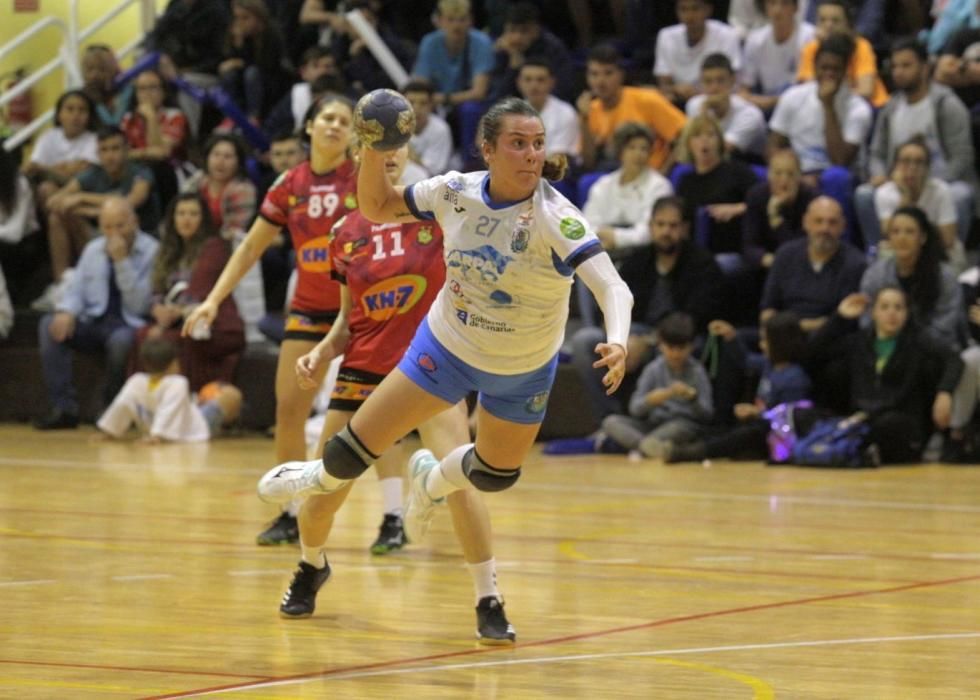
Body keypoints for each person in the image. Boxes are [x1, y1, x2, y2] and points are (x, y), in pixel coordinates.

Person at [254, 97, 633, 577]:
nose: (533, 155)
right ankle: (312, 476)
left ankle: (432, 481)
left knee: (496, 475)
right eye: (518, 144)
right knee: (357, 443)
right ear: (487, 150)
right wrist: (375, 145)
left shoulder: (557, 217)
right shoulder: (454, 191)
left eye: (538, 144)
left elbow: (612, 286)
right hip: (447, 346)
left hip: (523, 363)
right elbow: (378, 205)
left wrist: (617, 339)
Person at [272, 142, 517, 643]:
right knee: (325, 492)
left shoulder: (439, 212)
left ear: (407, 155)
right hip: (363, 371)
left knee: (460, 484)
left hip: (432, 369)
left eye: (395, 148)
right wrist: (320, 353)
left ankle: (488, 597)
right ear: (359, 156)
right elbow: (346, 320)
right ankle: (311, 564)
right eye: (375, 148)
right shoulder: (345, 232)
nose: (386, 157)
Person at [183, 94, 358, 546]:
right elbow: (248, 248)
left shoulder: (363, 178)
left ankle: (388, 511)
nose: (336, 126)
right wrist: (211, 300)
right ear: (309, 128)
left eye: (345, 121)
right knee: (289, 410)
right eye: (328, 118)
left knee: (362, 418)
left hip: (357, 309)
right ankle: (290, 511)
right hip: (306, 306)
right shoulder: (289, 184)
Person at [571, 196, 724, 422]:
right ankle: (611, 419)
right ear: (651, 227)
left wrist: (651, 342)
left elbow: (695, 319)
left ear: (684, 228)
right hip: (633, 332)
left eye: (673, 226)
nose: (666, 232)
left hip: (675, 339)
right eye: (660, 224)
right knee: (584, 341)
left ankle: (656, 420)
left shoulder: (702, 264)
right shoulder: (638, 259)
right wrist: (619, 340)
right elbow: (614, 303)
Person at [35, 197, 159, 430]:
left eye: (120, 225)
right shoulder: (93, 249)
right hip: (93, 319)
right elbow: (76, 289)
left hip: (127, 322)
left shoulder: (152, 251)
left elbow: (140, 305)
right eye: (107, 227)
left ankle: (110, 410)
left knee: (121, 342)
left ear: (135, 222)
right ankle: (63, 408)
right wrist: (67, 311)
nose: (114, 233)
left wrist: (122, 262)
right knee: (48, 325)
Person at [804, 287, 963, 464]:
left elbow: (954, 359)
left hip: (900, 423)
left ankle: (854, 449)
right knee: (810, 416)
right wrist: (839, 318)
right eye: (884, 307)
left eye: (898, 307)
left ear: (907, 313)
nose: (891, 313)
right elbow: (811, 354)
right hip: (861, 419)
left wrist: (944, 392)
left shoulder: (918, 341)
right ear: (873, 312)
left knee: (889, 425)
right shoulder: (858, 342)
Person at [863, 38, 976, 249]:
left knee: (959, 195)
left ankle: (950, 257)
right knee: (865, 194)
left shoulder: (946, 105)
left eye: (906, 65)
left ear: (924, 68)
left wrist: (925, 185)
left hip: (941, 183)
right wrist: (879, 174)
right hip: (899, 182)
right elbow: (876, 152)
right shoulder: (890, 108)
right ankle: (878, 254)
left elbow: (962, 157)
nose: (898, 72)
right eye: (895, 66)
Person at [34, 127, 158, 313]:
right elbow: (55, 201)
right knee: (57, 215)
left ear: (126, 149)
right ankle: (62, 282)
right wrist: (88, 208)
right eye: (104, 150)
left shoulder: (141, 172)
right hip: (100, 238)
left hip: (136, 240)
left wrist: (82, 198)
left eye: (115, 149)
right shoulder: (93, 173)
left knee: (72, 211)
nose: (110, 156)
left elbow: (130, 202)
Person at [664, 312, 813, 463]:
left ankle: (692, 453)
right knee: (724, 430)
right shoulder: (770, 365)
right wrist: (731, 337)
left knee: (748, 434)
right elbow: (746, 360)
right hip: (759, 424)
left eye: (766, 341)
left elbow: (789, 420)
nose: (762, 345)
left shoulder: (794, 380)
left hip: (773, 436)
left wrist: (758, 414)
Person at [145, 192, 246, 391]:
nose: (186, 219)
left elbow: (200, 291)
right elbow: (157, 288)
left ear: (203, 219)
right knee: (142, 335)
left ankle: (186, 399)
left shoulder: (214, 247)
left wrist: (171, 316)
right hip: (179, 320)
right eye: (181, 213)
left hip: (216, 323)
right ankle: (149, 401)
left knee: (174, 338)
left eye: (193, 214)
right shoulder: (168, 249)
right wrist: (157, 308)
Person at [181, 133, 263, 341]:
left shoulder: (243, 189)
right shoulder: (195, 183)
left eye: (228, 156)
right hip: (194, 239)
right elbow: (181, 210)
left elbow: (232, 231)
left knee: (213, 248)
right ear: (207, 157)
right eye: (216, 155)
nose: (220, 161)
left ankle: (197, 308)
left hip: (227, 247)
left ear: (238, 162)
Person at [601, 311, 713, 458]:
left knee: (680, 428)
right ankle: (650, 447)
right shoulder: (653, 369)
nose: (675, 354)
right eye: (670, 348)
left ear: (691, 347)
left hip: (681, 424)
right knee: (611, 421)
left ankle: (642, 447)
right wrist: (649, 400)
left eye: (681, 348)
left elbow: (707, 413)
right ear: (660, 345)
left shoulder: (697, 371)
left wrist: (692, 397)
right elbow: (635, 409)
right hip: (652, 424)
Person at [97, 337, 242, 443]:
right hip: (196, 428)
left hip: (164, 425)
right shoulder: (179, 382)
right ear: (174, 363)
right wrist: (157, 435)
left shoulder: (137, 379)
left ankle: (199, 403)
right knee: (230, 393)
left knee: (200, 400)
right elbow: (169, 409)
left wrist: (110, 431)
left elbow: (122, 404)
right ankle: (229, 425)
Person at [859, 206, 964, 349]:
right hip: (885, 348)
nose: (902, 237)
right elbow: (866, 320)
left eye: (909, 232)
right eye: (896, 232)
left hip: (933, 354)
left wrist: (905, 346)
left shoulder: (945, 278)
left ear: (922, 237)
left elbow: (944, 329)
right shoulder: (875, 275)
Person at [769, 32, 873, 174]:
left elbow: (840, 160)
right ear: (814, 67)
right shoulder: (792, 96)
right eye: (824, 68)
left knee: (836, 175)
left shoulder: (859, 109)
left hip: (832, 173)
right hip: (796, 172)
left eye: (835, 69)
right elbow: (773, 146)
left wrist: (828, 105)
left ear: (845, 71)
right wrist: (792, 175)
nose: (829, 74)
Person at [760, 196, 866, 333]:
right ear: (806, 222)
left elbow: (843, 320)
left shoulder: (855, 264)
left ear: (843, 226)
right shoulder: (785, 254)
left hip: (828, 340)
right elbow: (768, 307)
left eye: (832, 223)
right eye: (818, 221)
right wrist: (771, 330)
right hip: (783, 339)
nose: (825, 229)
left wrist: (795, 327)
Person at [577, 43, 686, 173]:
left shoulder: (647, 100)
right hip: (612, 177)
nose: (600, 81)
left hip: (650, 173)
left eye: (608, 73)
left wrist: (664, 172)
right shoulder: (590, 109)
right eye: (594, 74)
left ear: (621, 75)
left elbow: (686, 134)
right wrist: (584, 119)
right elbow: (588, 163)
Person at [867, 137, 964, 271]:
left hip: (936, 251)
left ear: (928, 168)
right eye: (906, 161)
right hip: (904, 251)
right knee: (885, 249)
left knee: (956, 250)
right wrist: (906, 196)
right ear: (895, 165)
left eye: (919, 162)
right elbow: (890, 235)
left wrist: (916, 233)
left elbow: (947, 240)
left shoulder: (941, 190)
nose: (912, 168)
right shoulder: (885, 193)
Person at [675, 115, 759, 257]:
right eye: (697, 135)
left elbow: (763, 203)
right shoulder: (685, 181)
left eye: (711, 135)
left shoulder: (738, 172)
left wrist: (738, 208)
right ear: (688, 144)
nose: (704, 140)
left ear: (720, 142)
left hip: (733, 251)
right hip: (695, 255)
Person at [582, 122, 673, 250]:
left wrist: (614, 238)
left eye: (644, 149)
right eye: (632, 147)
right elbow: (588, 224)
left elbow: (648, 233)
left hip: (640, 252)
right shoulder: (603, 185)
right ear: (620, 152)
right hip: (600, 249)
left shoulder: (659, 186)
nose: (638, 154)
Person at [796, 0, 889, 107]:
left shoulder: (861, 46)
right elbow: (809, 89)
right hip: (828, 105)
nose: (828, 25)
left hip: (870, 106)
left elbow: (865, 91)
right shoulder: (811, 48)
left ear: (848, 25)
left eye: (835, 21)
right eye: (822, 20)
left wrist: (832, 95)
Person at [120, 68, 190, 209]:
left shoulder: (175, 116)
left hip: (171, 172)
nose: (147, 93)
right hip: (137, 171)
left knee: (157, 169)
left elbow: (162, 154)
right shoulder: (128, 119)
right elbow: (121, 154)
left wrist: (151, 117)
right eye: (142, 89)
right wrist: (145, 153)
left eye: (153, 87)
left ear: (163, 91)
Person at [411, 0, 495, 112]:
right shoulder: (429, 43)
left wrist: (444, 99)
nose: (456, 25)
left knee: (470, 109)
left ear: (470, 21)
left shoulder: (482, 43)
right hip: (438, 103)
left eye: (462, 19)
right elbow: (421, 86)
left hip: (468, 104)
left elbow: (479, 92)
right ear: (439, 21)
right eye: (450, 19)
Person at [654, 0, 742, 106]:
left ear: (708, 10)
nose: (689, 16)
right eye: (683, 9)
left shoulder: (727, 35)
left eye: (695, 9)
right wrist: (676, 89)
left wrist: (699, 92)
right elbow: (664, 83)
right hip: (677, 100)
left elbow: (732, 82)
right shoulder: (666, 36)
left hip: (717, 100)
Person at [742, 148, 817, 271]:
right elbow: (749, 246)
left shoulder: (811, 200)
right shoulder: (756, 195)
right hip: (766, 263)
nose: (784, 180)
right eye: (778, 173)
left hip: (799, 267)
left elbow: (798, 251)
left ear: (799, 177)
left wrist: (775, 217)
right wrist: (770, 260)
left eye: (790, 174)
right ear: (768, 175)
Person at [218, 0, 291, 124]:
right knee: (229, 75)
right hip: (245, 78)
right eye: (237, 18)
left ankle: (254, 117)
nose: (240, 22)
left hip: (271, 80)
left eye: (245, 18)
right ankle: (231, 116)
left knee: (252, 73)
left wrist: (240, 62)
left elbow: (267, 65)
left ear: (258, 17)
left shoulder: (271, 33)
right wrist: (238, 44)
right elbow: (227, 57)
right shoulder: (237, 33)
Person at [488, 1, 575, 103]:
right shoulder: (504, 49)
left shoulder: (553, 48)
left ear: (536, 30)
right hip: (513, 109)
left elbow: (563, 91)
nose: (517, 37)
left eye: (523, 31)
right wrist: (513, 67)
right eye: (512, 30)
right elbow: (498, 98)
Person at [685, 53, 768, 161]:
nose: (714, 88)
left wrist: (704, 111)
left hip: (748, 162)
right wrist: (704, 110)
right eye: (708, 82)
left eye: (720, 80)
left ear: (732, 80)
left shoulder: (750, 114)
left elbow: (717, 151)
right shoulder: (694, 105)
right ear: (701, 83)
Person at [739, 0, 816, 113]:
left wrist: (777, 101)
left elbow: (810, 87)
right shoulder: (755, 40)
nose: (777, 10)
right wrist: (769, 102)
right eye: (772, 3)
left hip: (800, 104)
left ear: (796, 8)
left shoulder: (809, 37)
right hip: (766, 104)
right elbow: (743, 92)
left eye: (784, 3)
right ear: (765, 8)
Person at [22, 90, 99, 200]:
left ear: (89, 116)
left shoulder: (94, 139)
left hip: (81, 191)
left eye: (82, 110)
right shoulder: (48, 137)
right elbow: (32, 167)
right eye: (70, 109)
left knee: (46, 189)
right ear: (59, 115)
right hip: (47, 186)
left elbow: (80, 176)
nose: (76, 115)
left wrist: (44, 169)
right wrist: (62, 168)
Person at [515, 58, 580, 161]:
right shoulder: (511, 114)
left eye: (540, 80)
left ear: (551, 82)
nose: (534, 85)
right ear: (519, 82)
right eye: (528, 79)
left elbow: (557, 158)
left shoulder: (566, 113)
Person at [401, 80, 456, 177]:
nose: (416, 108)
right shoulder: (393, 126)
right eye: (411, 102)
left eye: (423, 103)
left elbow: (432, 173)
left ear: (431, 105)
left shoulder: (440, 129)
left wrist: (406, 148)